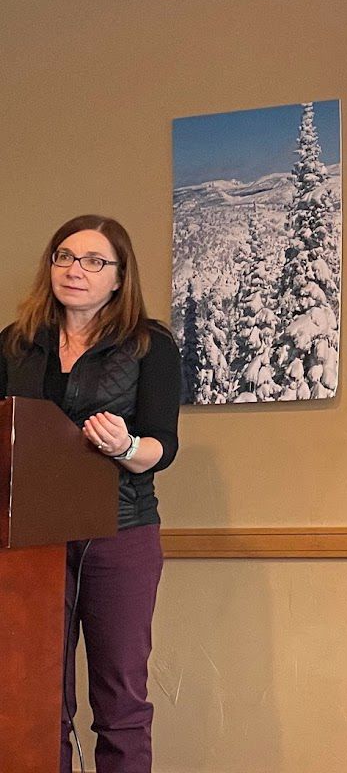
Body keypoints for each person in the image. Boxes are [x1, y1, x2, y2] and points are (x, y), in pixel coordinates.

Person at [0, 215, 181, 773]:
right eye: (64, 257)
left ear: (119, 278)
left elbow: (163, 447)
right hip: (30, 540)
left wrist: (125, 447)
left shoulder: (150, 345)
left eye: (94, 261)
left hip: (120, 533)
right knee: (34, 700)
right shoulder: (14, 344)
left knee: (120, 703)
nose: (75, 270)